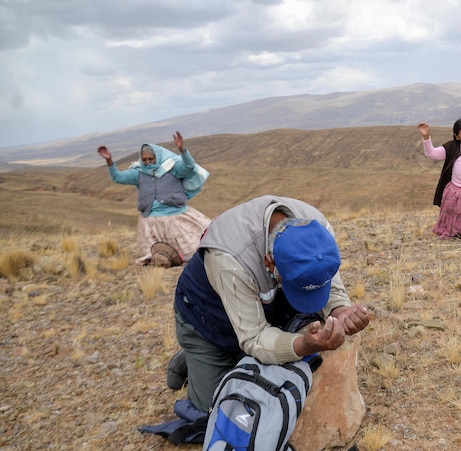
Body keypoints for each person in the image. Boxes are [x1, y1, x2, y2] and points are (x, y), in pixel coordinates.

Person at [168, 195, 370, 413]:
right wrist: (304, 345)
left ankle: (234, 355)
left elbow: (325, 276)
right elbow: (254, 336)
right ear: (269, 262)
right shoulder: (231, 259)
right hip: (208, 319)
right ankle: (195, 355)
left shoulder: (318, 232)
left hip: (265, 303)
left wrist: (340, 311)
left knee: (277, 369)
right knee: (220, 411)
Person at [97, 132, 212, 266]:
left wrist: (182, 149)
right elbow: (118, 177)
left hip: (175, 217)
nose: (148, 162)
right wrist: (109, 160)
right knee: (157, 257)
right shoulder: (138, 173)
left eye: (151, 159)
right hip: (151, 222)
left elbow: (188, 166)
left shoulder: (172, 168)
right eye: (144, 160)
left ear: (158, 157)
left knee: (195, 251)